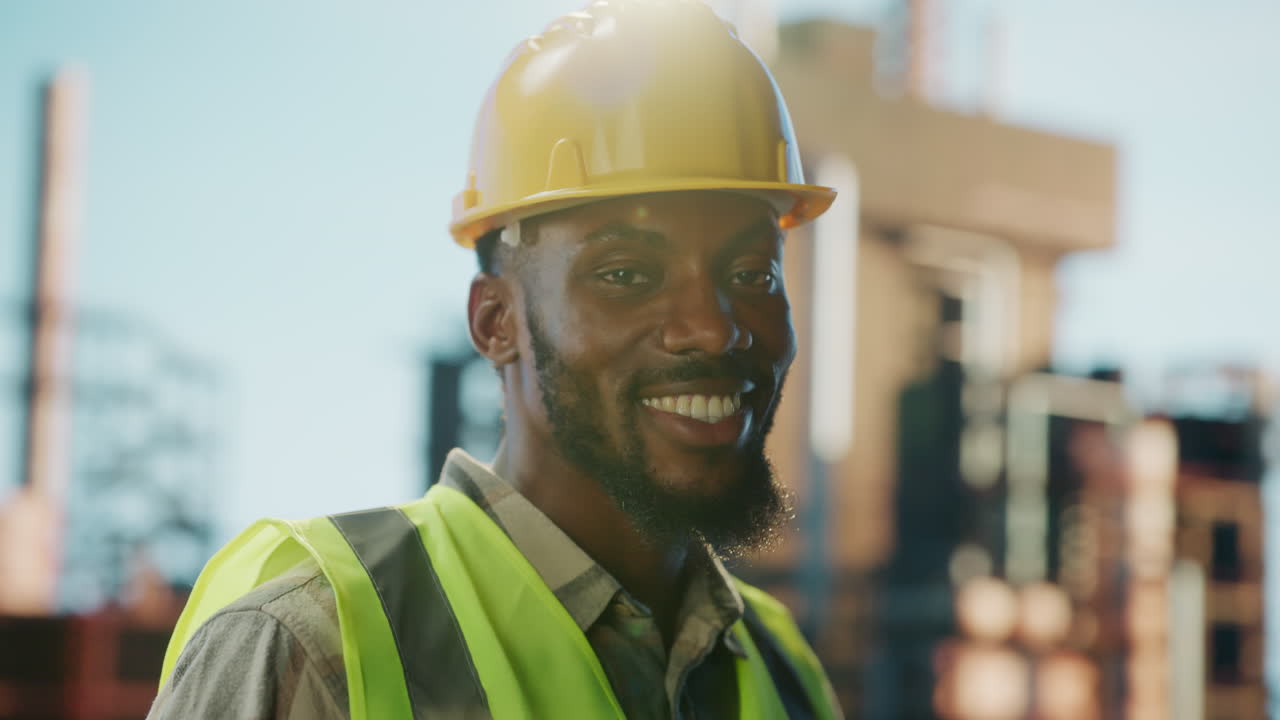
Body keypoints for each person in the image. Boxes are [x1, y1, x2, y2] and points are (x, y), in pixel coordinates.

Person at [148, 1, 841, 717]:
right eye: (626, 274)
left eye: (753, 275)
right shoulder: (311, 645)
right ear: (495, 321)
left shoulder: (784, 667)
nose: (712, 329)